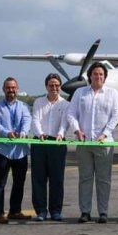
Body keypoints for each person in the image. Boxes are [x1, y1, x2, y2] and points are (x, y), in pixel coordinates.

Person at [65, 62, 118, 224]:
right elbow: (71, 114)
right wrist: (77, 130)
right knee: (85, 178)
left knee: (104, 179)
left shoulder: (112, 93)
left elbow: (115, 116)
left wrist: (104, 134)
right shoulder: (80, 93)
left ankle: (103, 211)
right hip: (84, 143)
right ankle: (85, 211)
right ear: (90, 76)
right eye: (95, 74)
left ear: (105, 77)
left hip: (104, 143)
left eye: (101, 74)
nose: (98, 77)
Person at [0, 77, 32, 224]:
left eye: (13, 87)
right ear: (4, 89)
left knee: (19, 183)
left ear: (17, 89)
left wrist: (24, 132)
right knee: (0, 183)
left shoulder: (24, 106)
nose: (11, 90)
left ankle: (15, 211)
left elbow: (27, 121)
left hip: (20, 151)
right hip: (2, 150)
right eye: (8, 88)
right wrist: (7, 133)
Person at [31, 74, 70, 222]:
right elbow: (36, 119)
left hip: (57, 143)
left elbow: (64, 123)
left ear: (60, 86)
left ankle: (56, 211)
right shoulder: (38, 102)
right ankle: (41, 211)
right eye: (51, 85)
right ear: (46, 86)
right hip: (40, 142)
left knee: (57, 179)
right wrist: (40, 134)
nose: (54, 88)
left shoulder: (65, 104)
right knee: (39, 178)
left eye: (56, 85)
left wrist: (60, 134)